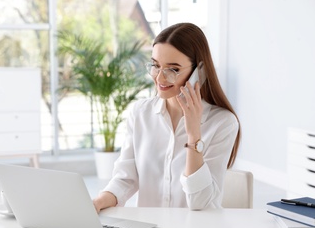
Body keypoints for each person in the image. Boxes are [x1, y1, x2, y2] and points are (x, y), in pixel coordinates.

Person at [93, 22, 240, 212]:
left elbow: (200, 203)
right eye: (155, 66)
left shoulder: (223, 123)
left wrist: (194, 134)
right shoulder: (140, 113)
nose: (160, 78)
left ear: (199, 72)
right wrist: (97, 203)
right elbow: (125, 178)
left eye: (173, 69)